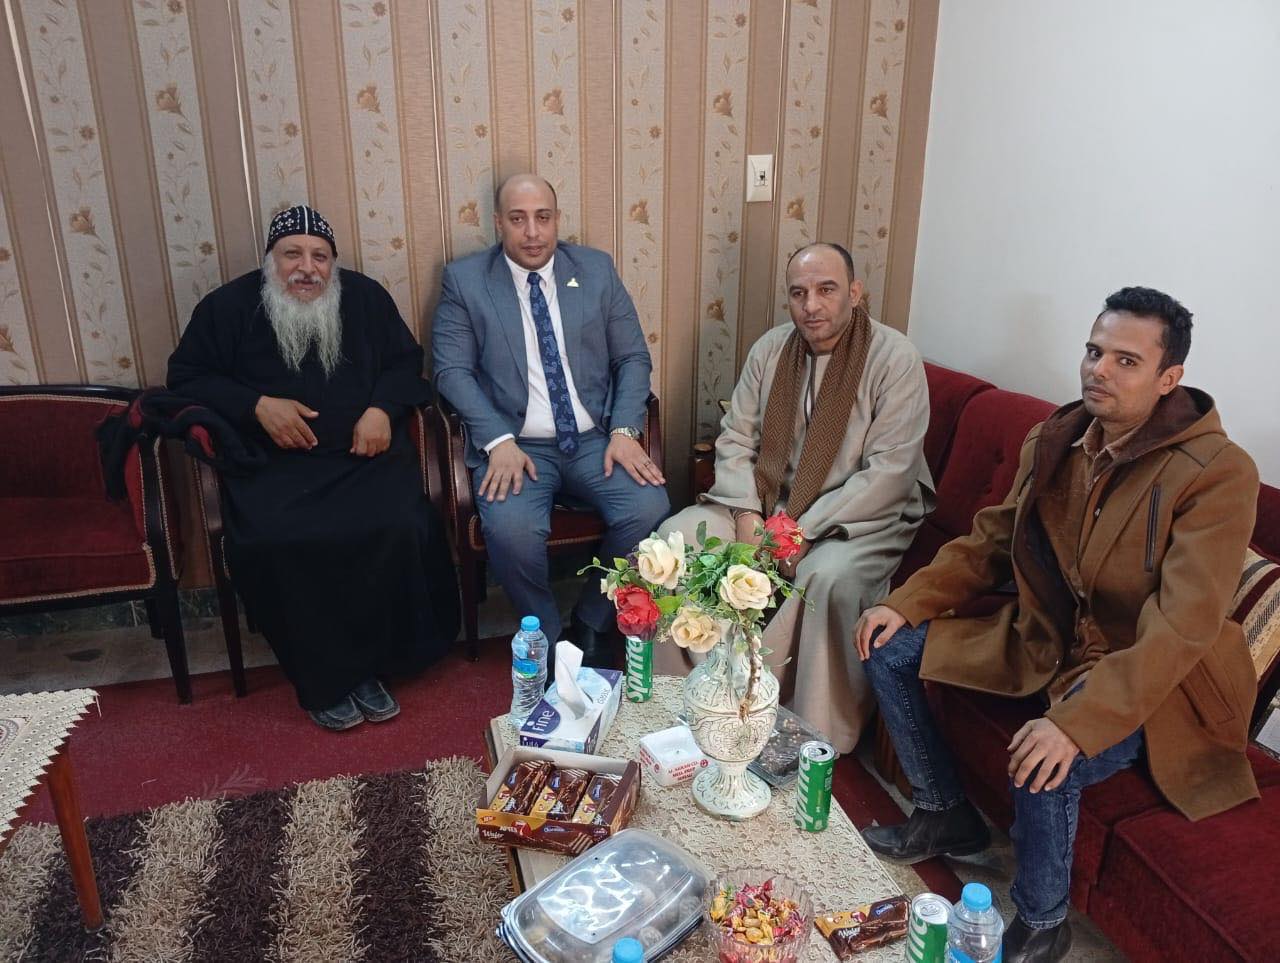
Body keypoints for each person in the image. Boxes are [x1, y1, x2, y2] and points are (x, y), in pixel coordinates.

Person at [854, 287, 1260, 962]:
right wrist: (907, 602)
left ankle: (1044, 921)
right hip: (1048, 641)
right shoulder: (1057, 437)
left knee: (1042, 756)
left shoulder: (1218, 473)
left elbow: (1182, 627)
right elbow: (992, 539)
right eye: (1094, 351)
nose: (1099, 369)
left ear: (1169, 379)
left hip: (1158, 680)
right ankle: (944, 811)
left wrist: (1074, 722)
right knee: (889, 647)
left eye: (1126, 361)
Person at [168, 205, 460, 731]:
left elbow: (404, 362)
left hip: (361, 461)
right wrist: (255, 405)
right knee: (279, 539)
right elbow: (186, 377)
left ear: (333, 263)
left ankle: (374, 665)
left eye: (320, 256)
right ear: (270, 260)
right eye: (293, 254)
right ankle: (326, 677)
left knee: (399, 523)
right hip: (273, 468)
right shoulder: (227, 308)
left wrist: (381, 410)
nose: (307, 268)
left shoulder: (365, 298)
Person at [654, 242, 934, 752]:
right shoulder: (771, 349)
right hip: (765, 503)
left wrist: (800, 531)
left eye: (827, 290)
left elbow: (889, 473)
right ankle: (687, 695)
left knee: (829, 577)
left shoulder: (894, 358)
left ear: (855, 292)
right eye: (799, 293)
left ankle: (810, 731)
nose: (812, 305)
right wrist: (747, 514)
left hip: (856, 517)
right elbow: (736, 439)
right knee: (676, 538)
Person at [431, 174, 668, 665]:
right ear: (498, 223)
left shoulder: (595, 270)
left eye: (543, 217)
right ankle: (547, 635)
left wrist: (625, 430)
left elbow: (632, 357)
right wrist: (496, 439)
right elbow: (451, 371)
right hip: (516, 445)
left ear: (558, 219)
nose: (533, 232)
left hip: (593, 438)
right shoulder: (466, 280)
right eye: (518, 219)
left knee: (648, 508)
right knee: (512, 531)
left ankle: (592, 620)